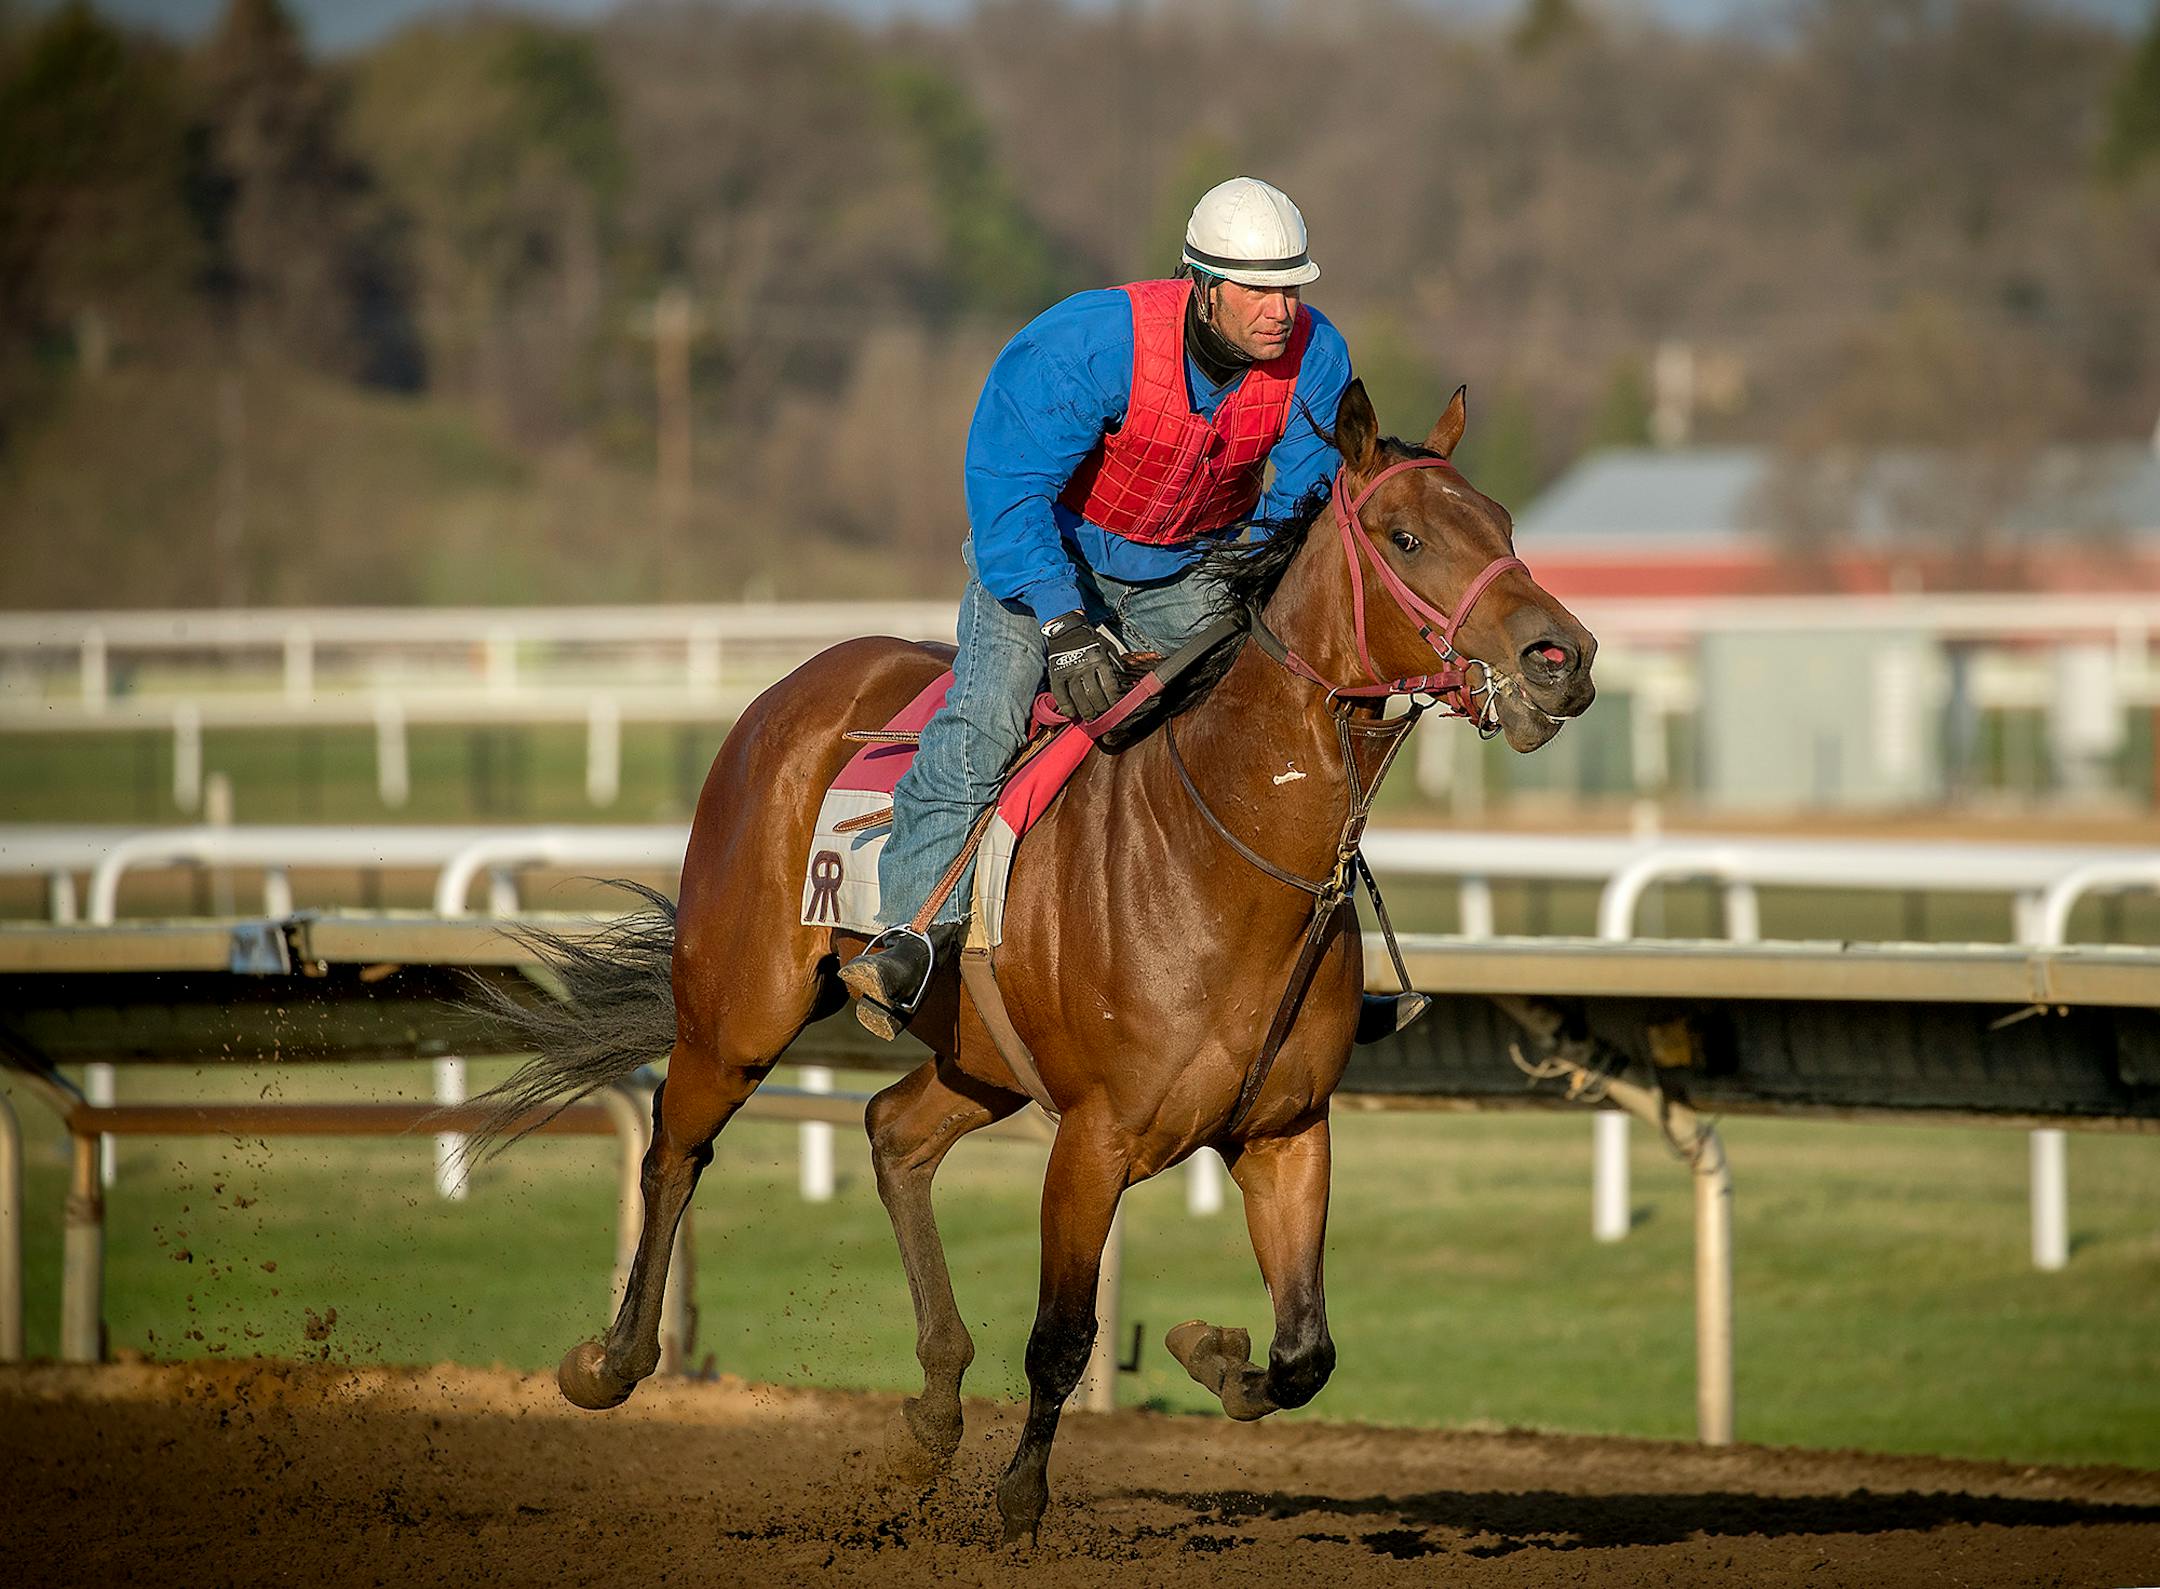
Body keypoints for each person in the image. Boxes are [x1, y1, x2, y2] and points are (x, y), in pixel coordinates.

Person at [840, 176, 1353, 1039]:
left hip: (1191, 568)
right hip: (1046, 555)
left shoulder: (1318, 357)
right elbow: (1008, 492)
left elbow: (1303, 495)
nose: (1281, 309)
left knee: (1282, 715)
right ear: (1201, 283)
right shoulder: (1087, 343)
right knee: (989, 717)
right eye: (1260, 288)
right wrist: (1064, 622)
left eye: (1293, 285)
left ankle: (1306, 967)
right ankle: (909, 935)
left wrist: (1238, 577)